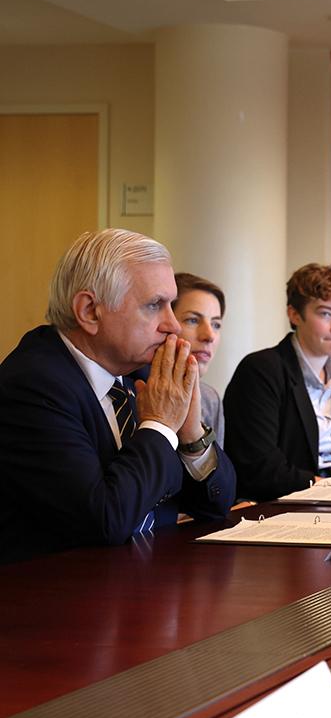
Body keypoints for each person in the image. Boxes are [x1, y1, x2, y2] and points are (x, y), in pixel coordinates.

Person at [0, 229, 236, 564]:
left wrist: (191, 434)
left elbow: (216, 504)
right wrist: (159, 425)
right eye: (155, 305)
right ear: (90, 312)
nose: (172, 325)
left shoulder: (141, 372)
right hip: (56, 597)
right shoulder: (32, 386)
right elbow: (105, 520)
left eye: (171, 305)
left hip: (146, 582)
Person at [224, 263, 331, 501]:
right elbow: (258, 468)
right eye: (325, 313)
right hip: (284, 509)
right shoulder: (261, 370)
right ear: (294, 314)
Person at [173, 272, 226, 445]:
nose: (209, 335)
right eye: (193, 320)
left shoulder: (210, 399)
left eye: (216, 324)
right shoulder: (132, 388)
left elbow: (219, 471)